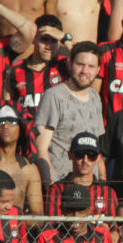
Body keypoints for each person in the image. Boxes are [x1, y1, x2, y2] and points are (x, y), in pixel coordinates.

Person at [34, 43, 106, 182]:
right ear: (70, 64)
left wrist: (102, 181)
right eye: (80, 64)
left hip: (90, 186)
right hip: (61, 184)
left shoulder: (96, 97)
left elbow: (98, 152)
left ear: (98, 70)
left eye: (91, 66)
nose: (85, 71)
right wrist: (52, 188)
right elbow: (41, 149)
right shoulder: (53, 96)